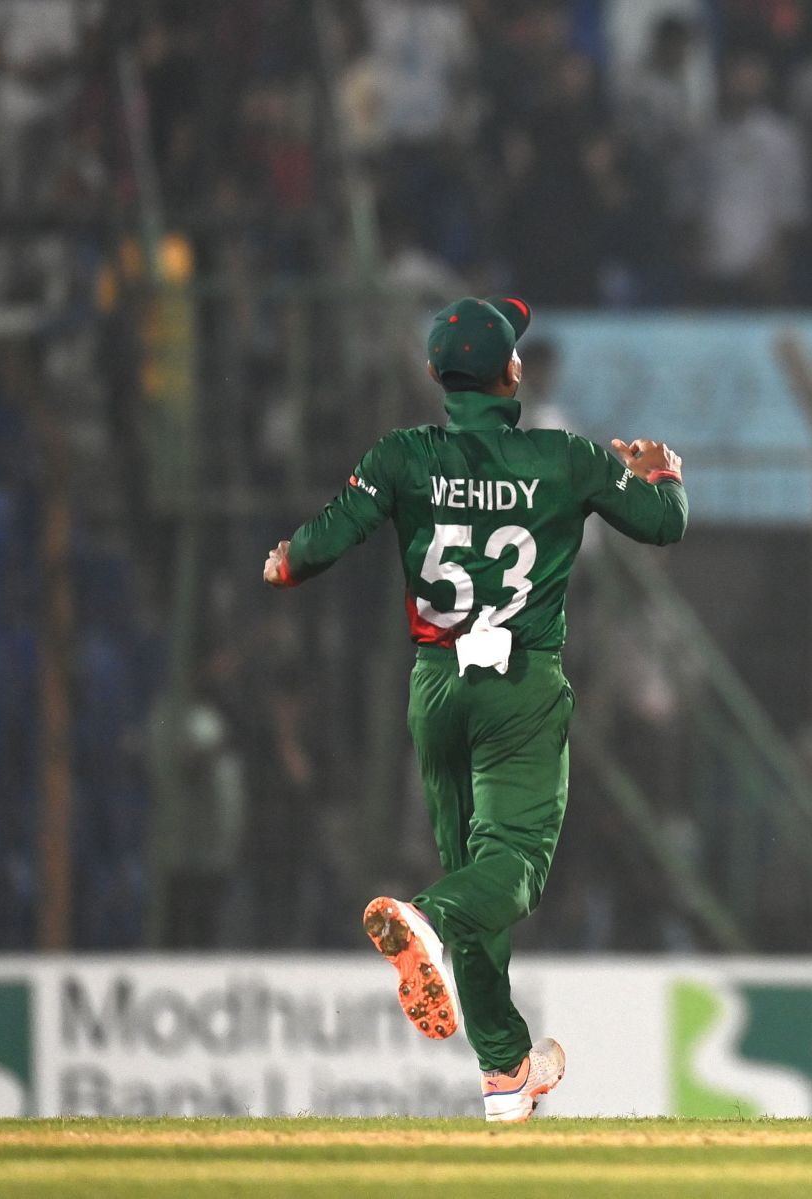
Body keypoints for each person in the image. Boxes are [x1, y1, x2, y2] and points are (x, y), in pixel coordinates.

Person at [262, 296, 687, 1121]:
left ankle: (505, 1070)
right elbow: (662, 526)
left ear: (434, 378)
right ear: (513, 372)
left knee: (477, 871)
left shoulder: (402, 456)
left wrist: (283, 562)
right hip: (519, 683)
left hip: (437, 684)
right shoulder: (565, 457)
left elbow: (318, 543)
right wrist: (662, 469)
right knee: (513, 870)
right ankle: (424, 915)